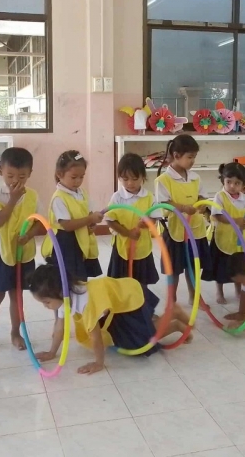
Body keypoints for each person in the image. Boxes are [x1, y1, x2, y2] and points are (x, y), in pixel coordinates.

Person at [29, 264, 191, 375]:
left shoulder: (86, 303)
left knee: (143, 341)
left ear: (59, 292)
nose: (46, 306)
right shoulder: (64, 297)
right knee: (129, 340)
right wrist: (52, 353)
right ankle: (172, 317)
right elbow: (59, 327)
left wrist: (98, 363)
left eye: (46, 302)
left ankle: (174, 316)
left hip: (128, 297)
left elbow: (96, 337)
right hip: (117, 303)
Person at [0, 148, 43, 355]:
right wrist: (12, 199)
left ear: (30, 174)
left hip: (23, 250)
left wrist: (29, 236)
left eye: (21, 176)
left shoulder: (33, 196)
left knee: (16, 295)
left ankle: (15, 333)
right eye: (10, 176)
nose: (15, 181)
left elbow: (39, 223)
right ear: (0, 172)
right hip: (2, 250)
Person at [155, 134, 211, 304]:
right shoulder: (163, 180)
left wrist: (202, 205)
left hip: (195, 230)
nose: (193, 161)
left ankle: (194, 296)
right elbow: (163, 203)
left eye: (194, 157)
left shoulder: (195, 178)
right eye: (190, 157)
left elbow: (203, 196)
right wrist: (183, 208)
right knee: (174, 268)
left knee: (194, 265)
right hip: (175, 231)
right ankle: (172, 300)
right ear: (176, 155)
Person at [42, 151, 103, 280]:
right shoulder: (59, 198)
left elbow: (88, 212)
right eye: (74, 177)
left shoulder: (82, 193)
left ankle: (80, 292)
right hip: (65, 243)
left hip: (80, 240)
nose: (78, 181)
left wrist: (92, 223)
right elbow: (67, 225)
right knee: (68, 276)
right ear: (60, 174)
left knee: (80, 275)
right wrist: (90, 219)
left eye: (81, 177)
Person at [105, 153, 160, 288]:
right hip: (122, 247)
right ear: (119, 178)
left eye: (135, 179)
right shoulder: (117, 197)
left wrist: (147, 222)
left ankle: (142, 300)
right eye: (125, 179)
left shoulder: (149, 197)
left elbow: (154, 218)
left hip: (142, 247)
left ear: (143, 177)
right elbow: (110, 220)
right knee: (122, 282)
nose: (130, 183)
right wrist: (128, 233)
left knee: (141, 282)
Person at [207, 162, 245, 304]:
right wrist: (235, 221)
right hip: (223, 237)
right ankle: (219, 292)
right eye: (228, 182)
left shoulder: (244, 198)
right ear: (223, 180)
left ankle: (238, 289)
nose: (232, 186)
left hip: (239, 238)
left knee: (238, 266)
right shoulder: (220, 196)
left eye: (237, 183)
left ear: (243, 184)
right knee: (221, 266)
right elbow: (217, 216)